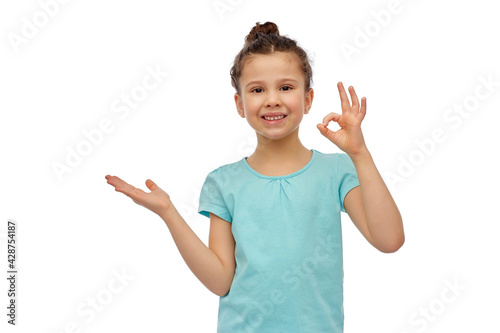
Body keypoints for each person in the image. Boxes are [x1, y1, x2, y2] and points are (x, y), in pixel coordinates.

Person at [105, 21, 404, 332]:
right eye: (257, 89)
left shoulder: (337, 171)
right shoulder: (223, 182)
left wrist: (360, 154)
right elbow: (220, 282)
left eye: (286, 87)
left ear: (308, 99)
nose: (272, 99)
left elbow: (389, 240)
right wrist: (168, 213)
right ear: (240, 103)